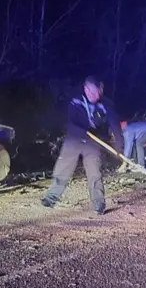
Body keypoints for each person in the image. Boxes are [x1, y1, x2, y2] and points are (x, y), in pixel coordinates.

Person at [41, 76, 124, 215]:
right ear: (85, 89)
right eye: (90, 91)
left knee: (94, 172)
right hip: (74, 139)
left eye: (96, 92)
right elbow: (69, 121)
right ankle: (51, 198)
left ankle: (99, 203)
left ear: (101, 90)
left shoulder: (106, 105)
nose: (93, 95)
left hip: (94, 142)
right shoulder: (75, 101)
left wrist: (119, 147)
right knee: (63, 168)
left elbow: (115, 125)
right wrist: (83, 131)